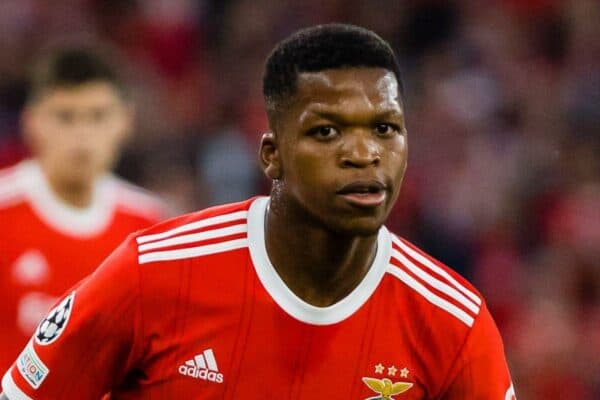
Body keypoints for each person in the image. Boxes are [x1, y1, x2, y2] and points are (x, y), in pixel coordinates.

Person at [1, 24, 516, 399]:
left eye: (385, 128)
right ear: (271, 155)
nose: (363, 154)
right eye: (326, 131)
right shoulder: (153, 271)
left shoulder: (453, 322)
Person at [0, 45, 168, 372]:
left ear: (125, 121)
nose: (82, 134)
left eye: (97, 116)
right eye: (65, 116)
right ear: (32, 122)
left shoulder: (149, 224)